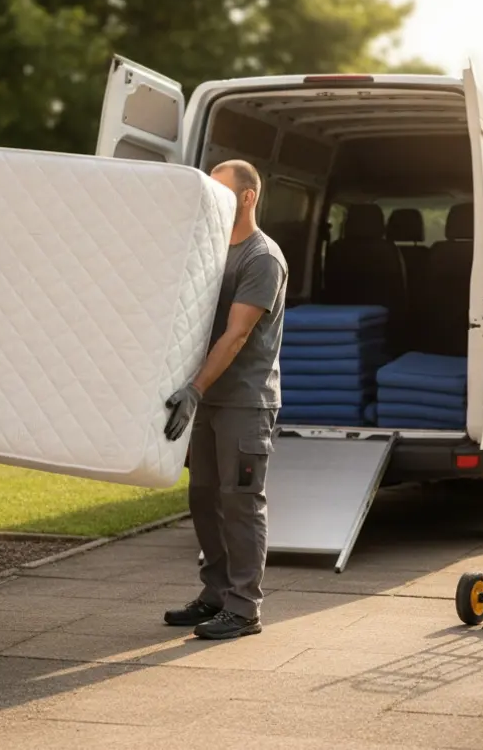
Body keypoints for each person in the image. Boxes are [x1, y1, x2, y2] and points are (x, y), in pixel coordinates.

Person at [163, 159, 288, 640]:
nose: (211, 200)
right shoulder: (213, 251)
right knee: (203, 498)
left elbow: (236, 335)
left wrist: (194, 389)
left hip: (244, 403)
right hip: (208, 399)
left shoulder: (262, 258)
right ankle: (215, 594)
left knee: (240, 502)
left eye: (222, 192)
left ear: (248, 197)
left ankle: (244, 607)